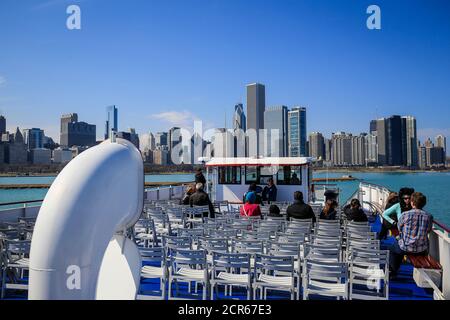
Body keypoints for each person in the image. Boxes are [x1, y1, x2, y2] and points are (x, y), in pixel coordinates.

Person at [389, 192, 433, 277]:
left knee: (393, 250)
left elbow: (399, 228)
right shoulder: (429, 216)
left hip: (405, 247)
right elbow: (428, 230)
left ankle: (393, 272)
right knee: (399, 246)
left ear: (412, 202)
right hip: (421, 250)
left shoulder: (405, 214)